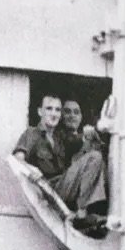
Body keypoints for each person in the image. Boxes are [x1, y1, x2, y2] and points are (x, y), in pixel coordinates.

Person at [14, 93, 109, 232]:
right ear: (40, 111)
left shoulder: (60, 137)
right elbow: (17, 160)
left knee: (94, 156)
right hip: (46, 191)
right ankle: (82, 213)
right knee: (94, 157)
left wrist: (91, 132)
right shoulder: (32, 133)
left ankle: (83, 212)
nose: (54, 114)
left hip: (61, 191)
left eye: (58, 110)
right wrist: (31, 172)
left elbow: (83, 141)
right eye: (49, 109)